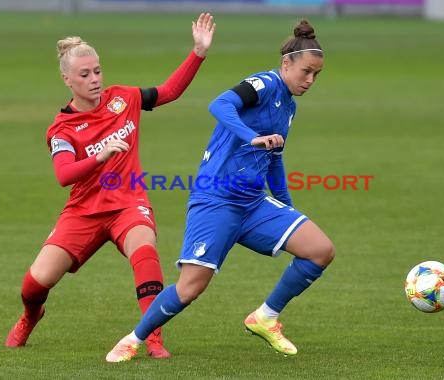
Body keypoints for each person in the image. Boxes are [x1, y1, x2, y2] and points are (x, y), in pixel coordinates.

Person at [105, 19, 335, 363]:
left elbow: (275, 158)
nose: (310, 81)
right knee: (190, 288)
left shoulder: (288, 105)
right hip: (216, 200)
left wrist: (288, 207)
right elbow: (220, 104)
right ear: (286, 64)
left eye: (316, 75)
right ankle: (133, 338)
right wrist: (251, 136)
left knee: (320, 250)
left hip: (254, 204)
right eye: (306, 72)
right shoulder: (264, 84)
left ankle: (265, 318)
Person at [4, 13, 216, 360]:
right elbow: (63, 175)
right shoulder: (63, 128)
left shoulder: (125, 98)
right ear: (67, 79)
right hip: (84, 211)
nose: (94, 79)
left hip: (128, 204)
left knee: (145, 250)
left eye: (97, 71)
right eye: (84, 74)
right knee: (35, 282)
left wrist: (198, 52)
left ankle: (153, 338)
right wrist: (99, 156)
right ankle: (30, 316)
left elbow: (169, 92)